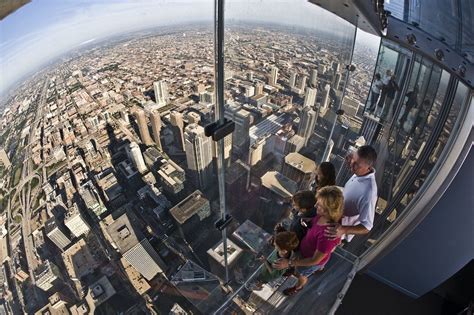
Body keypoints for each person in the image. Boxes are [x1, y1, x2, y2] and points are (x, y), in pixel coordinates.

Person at [273, 186, 344, 296]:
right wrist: (309, 221)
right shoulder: (322, 216)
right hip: (304, 253)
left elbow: (314, 260)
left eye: (319, 205)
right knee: (298, 270)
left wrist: (289, 263)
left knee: (301, 275)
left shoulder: (328, 235)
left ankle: (298, 287)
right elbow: (316, 226)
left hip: (309, 261)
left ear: (328, 209)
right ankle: (296, 271)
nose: (315, 206)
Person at [325, 145, 378, 242]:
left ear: (369, 168)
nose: (352, 165)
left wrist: (343, 230)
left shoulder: (369, 193)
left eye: (357, 165)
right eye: (354, 160)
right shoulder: (360, 172)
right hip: (334, 216)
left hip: (337, 231)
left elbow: (367, 226)